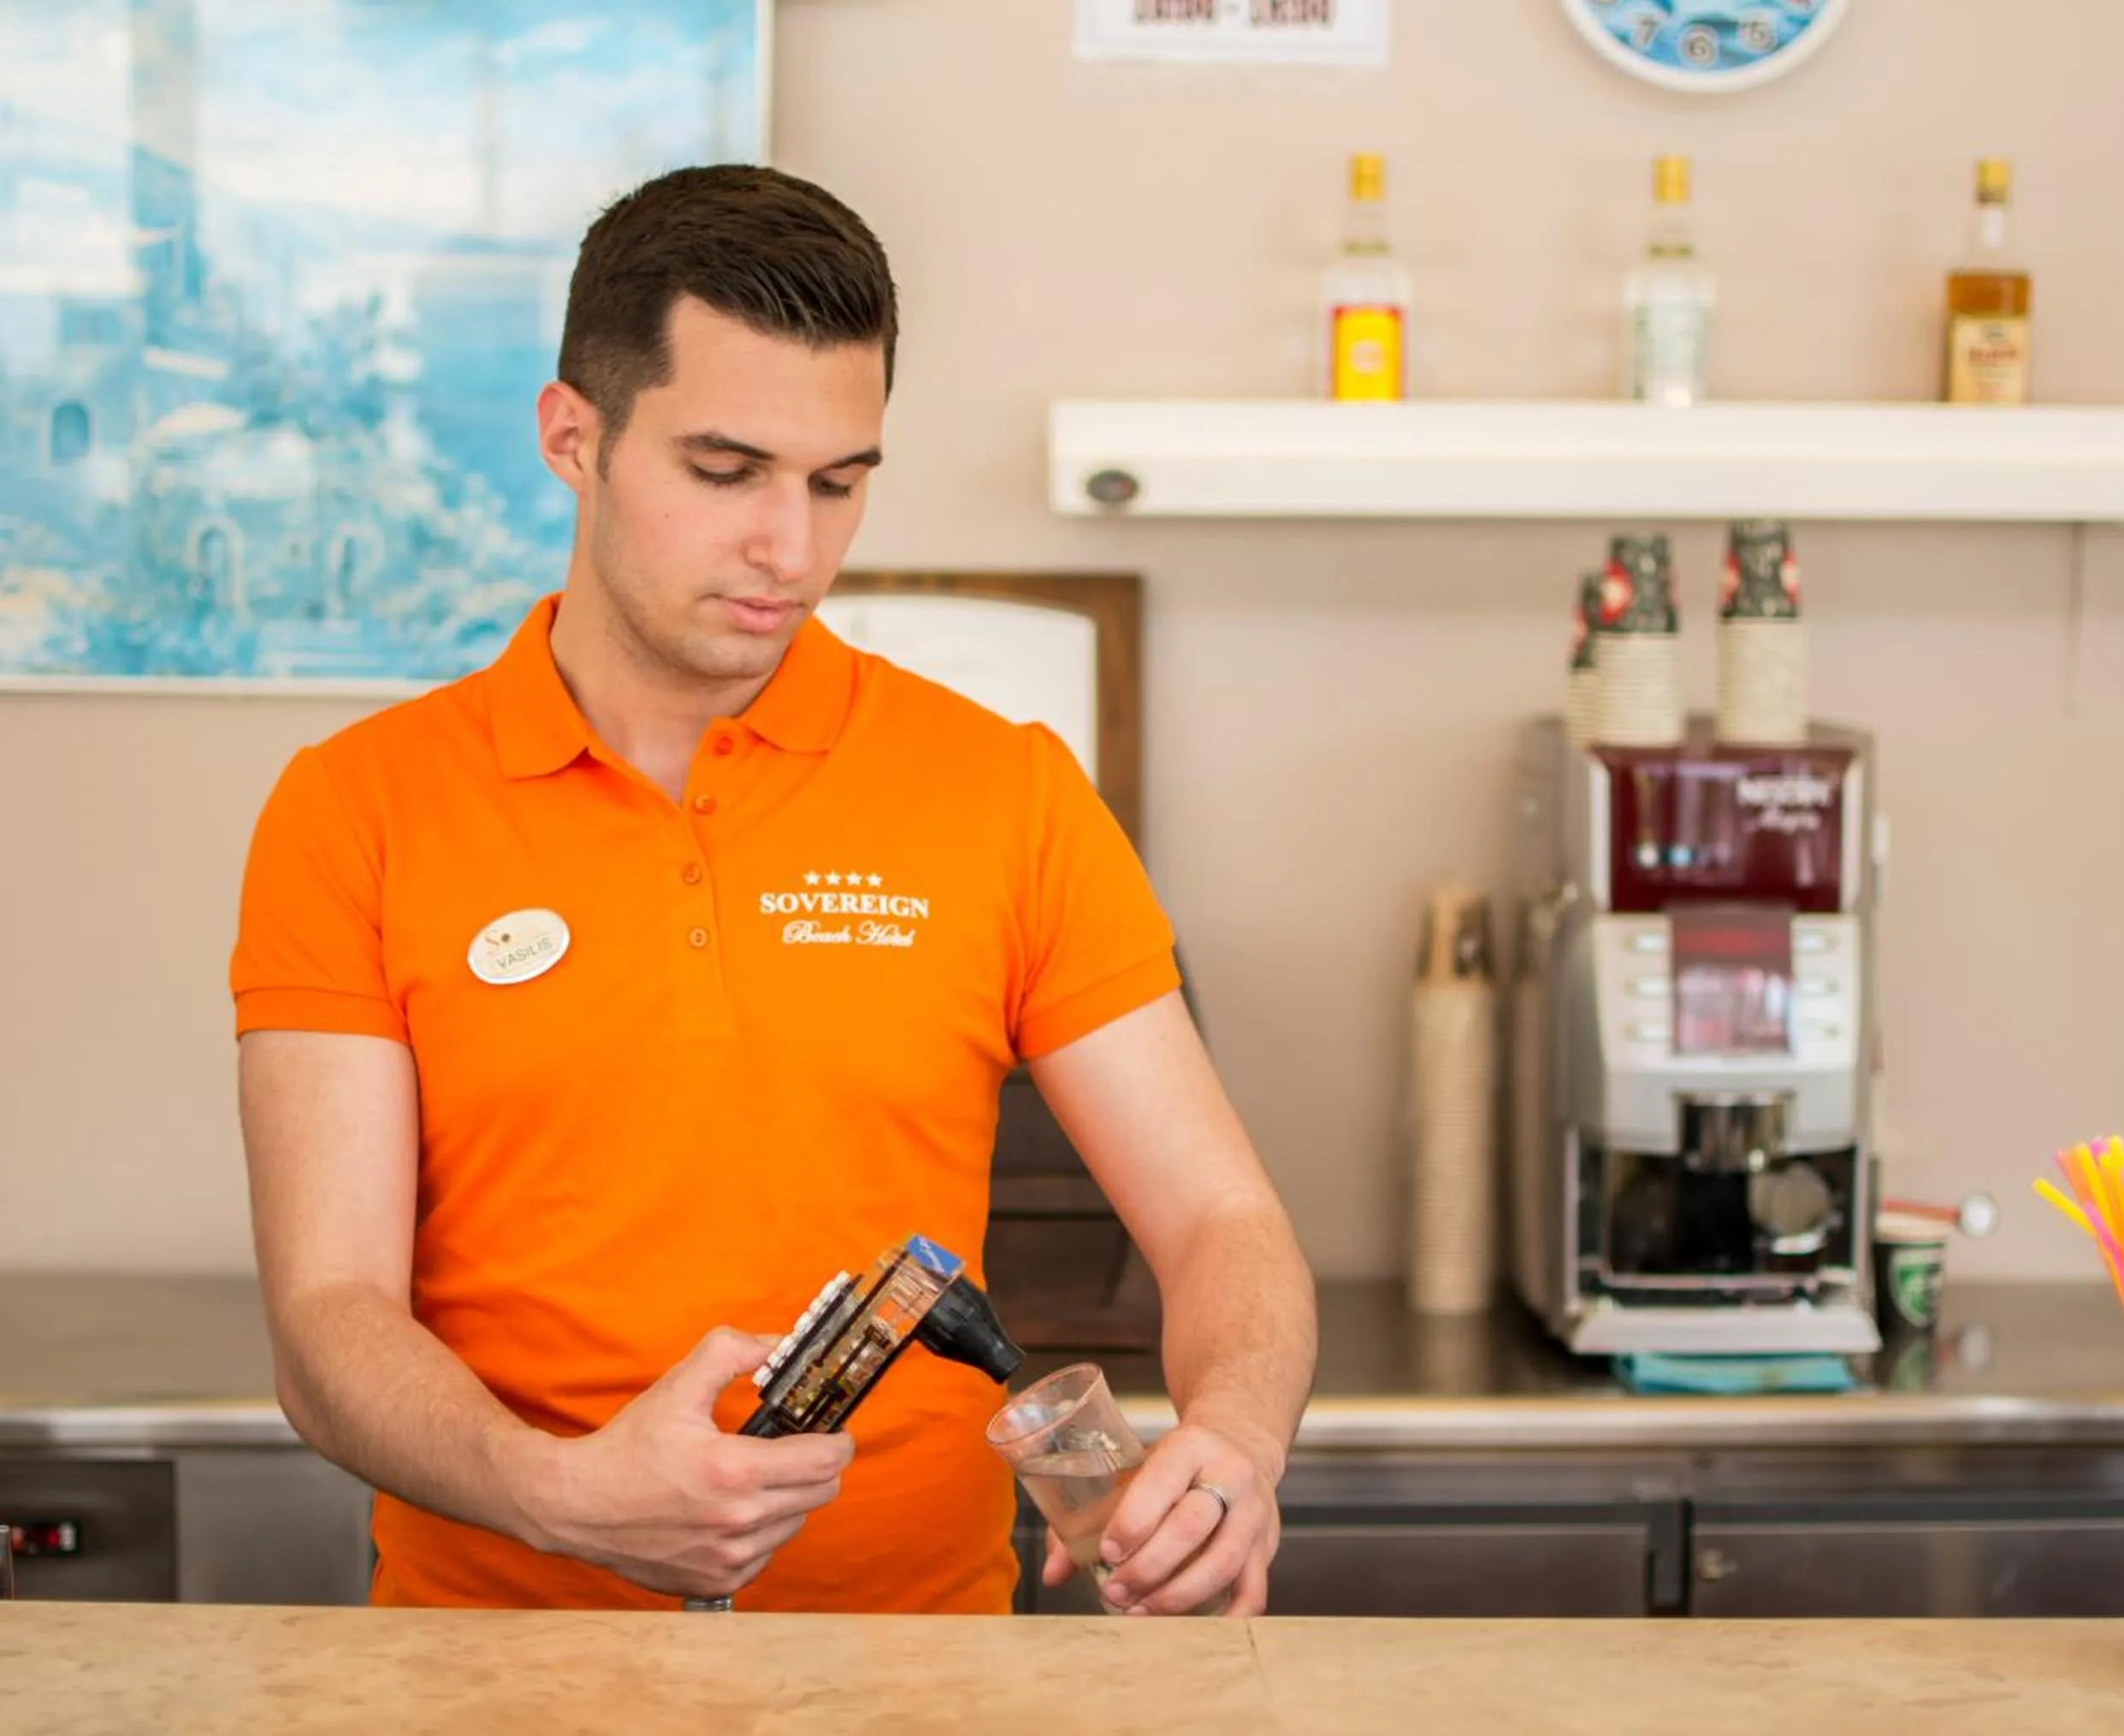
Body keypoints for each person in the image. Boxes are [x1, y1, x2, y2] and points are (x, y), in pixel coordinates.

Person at [228, 164, 1317, 1617]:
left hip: (923, 1680)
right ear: (573, 436)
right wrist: (561, 1494)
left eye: (837, 482)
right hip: (493, 1674)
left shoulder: (1004, 790)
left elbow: (1221, 1219)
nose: (791, 551)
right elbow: (327, 1318)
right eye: (725, 471)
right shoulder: (357, 806)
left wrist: (1237, 1434)